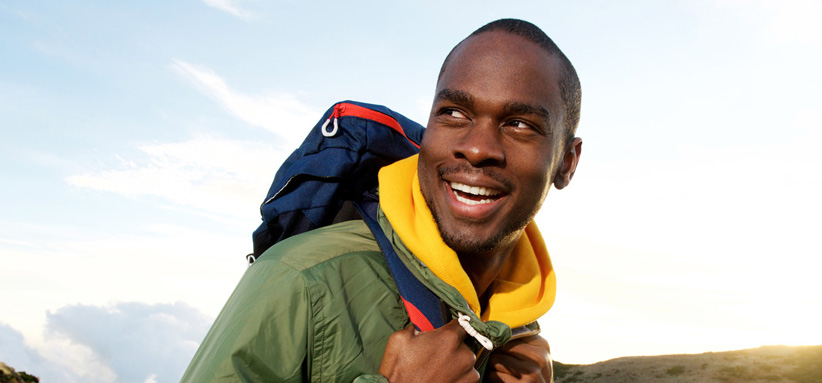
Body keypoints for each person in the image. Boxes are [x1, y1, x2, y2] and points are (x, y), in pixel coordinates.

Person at [182, 18, 582, 383]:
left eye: (519, 125)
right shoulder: (299, 280)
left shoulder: (517, 330)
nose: (477, 148)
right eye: (454, 113)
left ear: (566, 162)